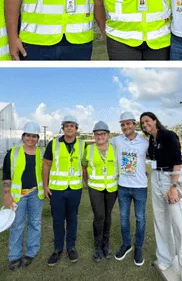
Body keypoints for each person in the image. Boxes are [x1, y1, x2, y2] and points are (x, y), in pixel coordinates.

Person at [140, 112, 182, 280]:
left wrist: (173, 186)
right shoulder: (152, 140)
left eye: (147, 121)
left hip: (170, 179)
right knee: (160, 221)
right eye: (142, 123)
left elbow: (177, 162)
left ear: (155, 121)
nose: (145, 125)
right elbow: (158, 159)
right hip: (156, 178)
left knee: (179, 226)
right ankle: (166, 257)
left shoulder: (168, 135)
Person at [43, 115, 86, 265]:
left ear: (76, 129)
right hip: (57, 190)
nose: (69, 128)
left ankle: (71, 247)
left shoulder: (82, 145)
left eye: (72, 125)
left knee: (72, 219)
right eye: (66, 125)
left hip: (75, 190)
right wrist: (45, 186)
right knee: (58, 220)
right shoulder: (53, 144)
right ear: (63, 128)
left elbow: (86, 165)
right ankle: (57, 249)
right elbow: (46, 165)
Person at [2, 122, 45, 270]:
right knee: (17, 225)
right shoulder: (13, 152)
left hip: (35, 194)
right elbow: (7, 176)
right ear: (23, 136)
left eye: (34, 136)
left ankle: (31, 252)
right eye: (28, 136)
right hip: (18, 196)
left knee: (35, 223)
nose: (31, 139)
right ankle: (14, 256)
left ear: (37, 138)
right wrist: (7, 195)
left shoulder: (41, 153)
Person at [111, 111, 149, 266]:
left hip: (140, 187)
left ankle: (138, 247)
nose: (125, 126)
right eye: (122, 124)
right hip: (123, 187)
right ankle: (126, 244)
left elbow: (157, 156)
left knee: (140, 218)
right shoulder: (116, 141)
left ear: (134, 124)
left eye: (128, 123)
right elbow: (100, 143)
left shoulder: (145, 142)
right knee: (124, 218)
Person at [82, 121, 119, 262]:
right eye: (97, 134)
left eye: (103, 133)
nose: (100, 136)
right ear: (94, 135)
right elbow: (84, 167)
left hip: (111, 187)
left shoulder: (115, 149)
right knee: (99, 216)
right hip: (95, 188)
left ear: (108, 135)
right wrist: (88, 183)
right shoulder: (89, 149)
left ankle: (106, 244)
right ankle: (97, 247)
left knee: (108, 216)